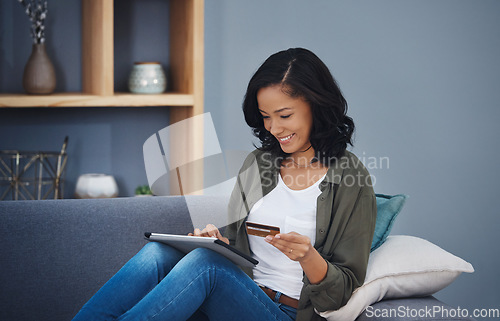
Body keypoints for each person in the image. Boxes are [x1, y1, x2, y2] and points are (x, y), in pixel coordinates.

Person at [72, 48, 376, 321]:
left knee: (205, 265)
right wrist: (217, 241)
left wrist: (309, 257)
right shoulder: (259, 162)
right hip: (242, 294)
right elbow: (238, 246)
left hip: (290, 312)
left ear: (316, 105)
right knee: (158, 254)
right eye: (266, 116)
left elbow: (343, 290)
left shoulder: (351, 179)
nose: (274, 128)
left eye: (284, 115)